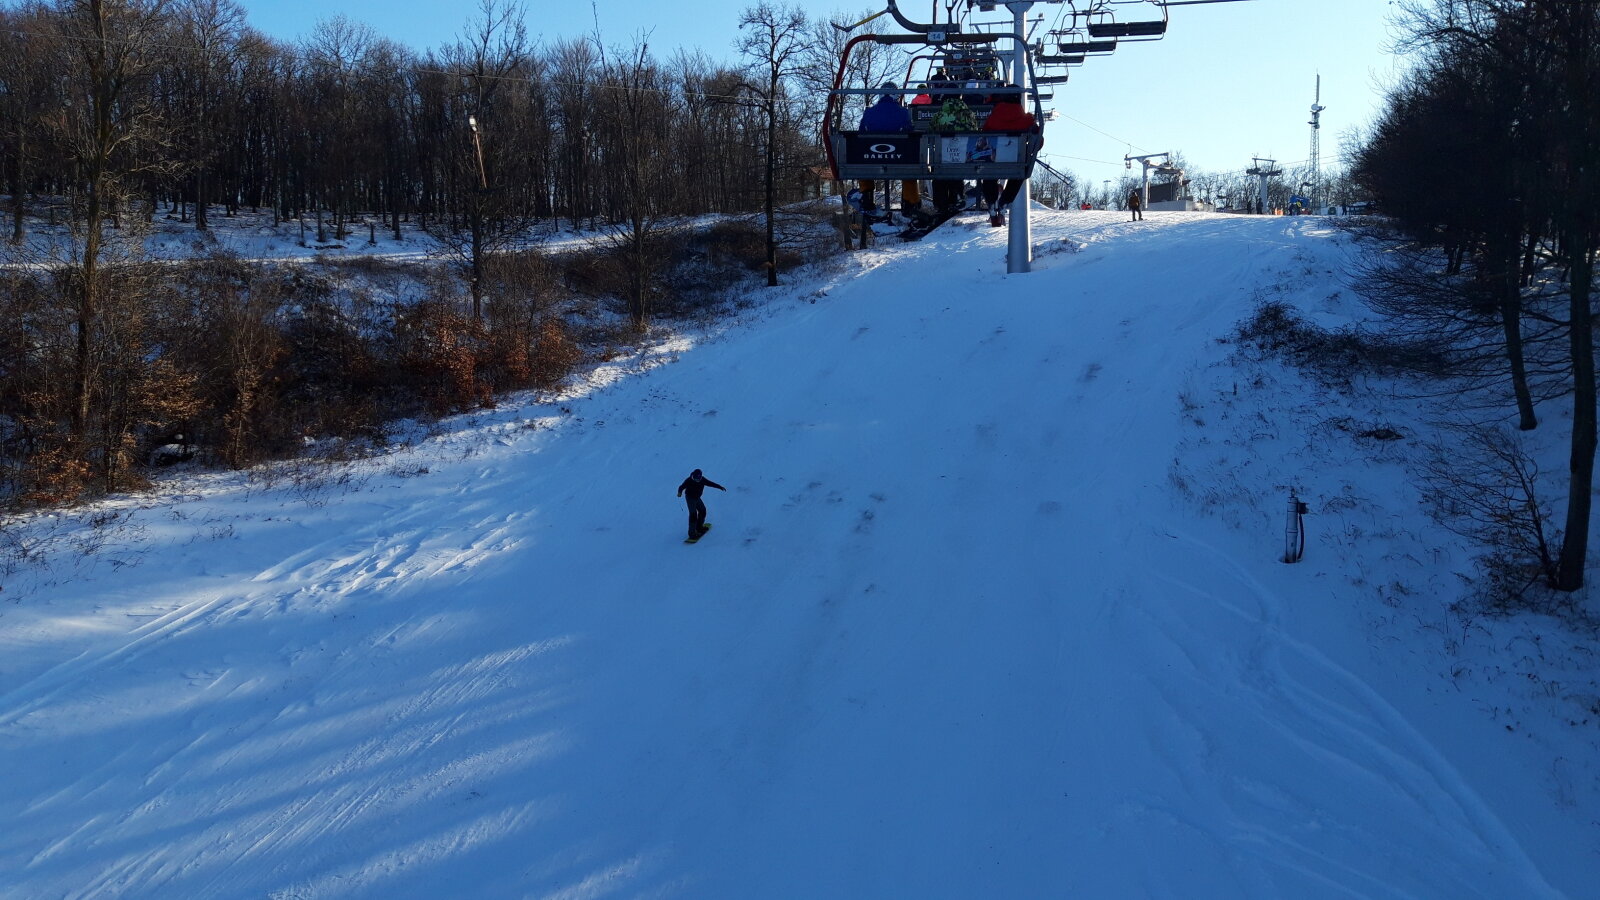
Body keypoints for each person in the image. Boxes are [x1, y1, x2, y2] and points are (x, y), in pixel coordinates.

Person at [855, 82, 921, 218]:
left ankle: (866, 195)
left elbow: (861, 132)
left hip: (872, 159)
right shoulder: (904, 113)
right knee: (909, 173)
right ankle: (910, 203)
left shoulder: (869, 112)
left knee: (862, 164)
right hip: (898, 159)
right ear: (896, 95)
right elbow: (910, 131)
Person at [976, 89, 1038, 227]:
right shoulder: (1027, 119)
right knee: (1019, 173)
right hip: (1015, 161)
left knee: (988, 172)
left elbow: (984, 135)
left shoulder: (993, 118)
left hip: (993, 160)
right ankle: (1005, 200)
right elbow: (1038, 140)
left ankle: (991, 201)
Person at [677, 468, 726, 540]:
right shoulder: (689, 480)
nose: (697, 480)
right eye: (696, 479)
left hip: (697, 498)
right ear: (693, 476)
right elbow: (681, 487)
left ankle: (699, 527)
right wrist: (679, 492)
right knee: (693, 515)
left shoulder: (702, 479)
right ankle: (692, 534)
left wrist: (720, 487)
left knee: (703, 511)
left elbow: (710, 483)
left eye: (699, 479)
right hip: (690, 498)